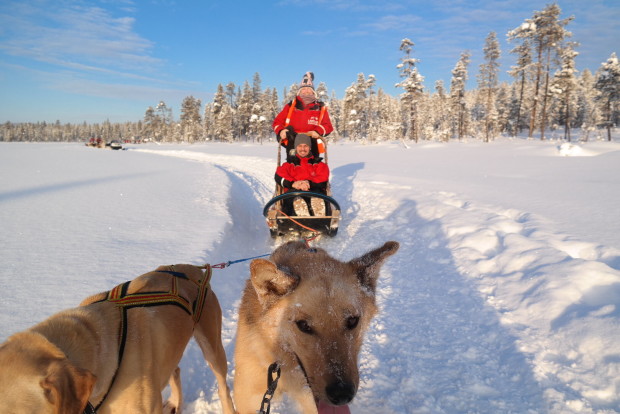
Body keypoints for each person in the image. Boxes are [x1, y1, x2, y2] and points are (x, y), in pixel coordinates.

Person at [272, 72, 333, 157]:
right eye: (303, 89)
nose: (306, 91)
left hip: (312, 142)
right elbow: (277, 122)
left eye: (309, 89)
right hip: (293, 141)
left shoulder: (320, 107)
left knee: (312, 167)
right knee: (292, 166)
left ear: (313, 92)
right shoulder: (291, 106)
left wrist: (317, 131)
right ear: (299, 91)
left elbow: (328, 126)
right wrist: (281, 131)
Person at [274, 133, 330, 216]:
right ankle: (301, 211)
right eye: (300, 146)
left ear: (310, 147)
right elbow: (279, 176)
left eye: (305, 146)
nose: (303, 149)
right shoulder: (289, 164)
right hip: (293, 193)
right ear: (296, 147)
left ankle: (317, 213)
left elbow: (323, 177)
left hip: (314, 191)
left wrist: (308, 183)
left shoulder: (318, 164)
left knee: (318, 197)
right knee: (293, 200)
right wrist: (293, 183)